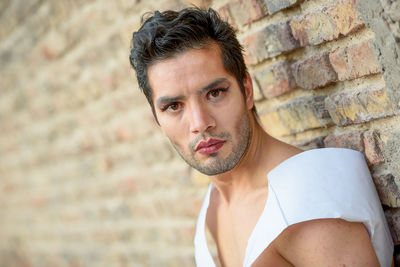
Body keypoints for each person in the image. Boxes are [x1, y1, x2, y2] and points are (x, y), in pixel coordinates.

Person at [129, 7, 394, 267]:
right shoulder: (214, 206)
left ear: (247, 89)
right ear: (157, 120)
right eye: (174, 106)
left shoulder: (306, 204)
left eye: (215, 93)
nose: (200, 124)